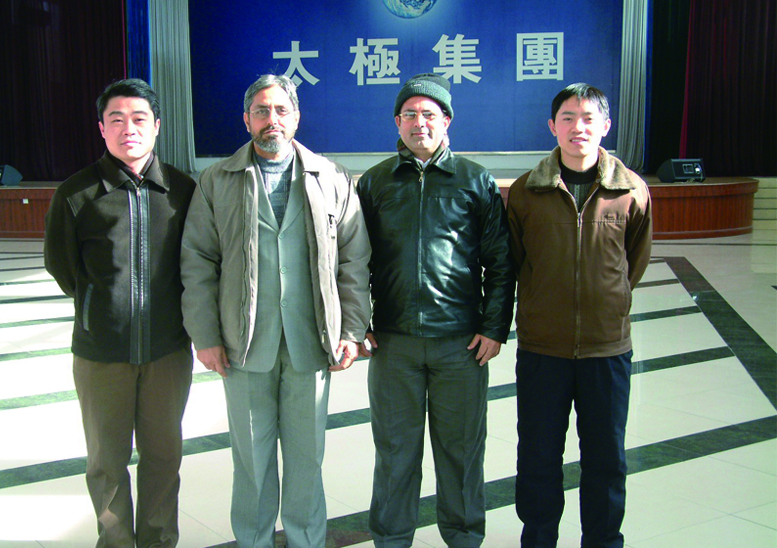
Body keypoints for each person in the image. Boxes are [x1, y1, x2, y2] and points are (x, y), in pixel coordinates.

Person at [179, 74, 371, 548]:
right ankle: (254, 540)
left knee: (307, 459)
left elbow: (354, 260)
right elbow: (197, 261)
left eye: (281, 110)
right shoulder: (216, 180)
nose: (272, 120)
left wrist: (351, 330)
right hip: (243, 345)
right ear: (246, 119)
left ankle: (306, 539)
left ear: (297, 117)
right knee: (251, 460)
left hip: (312, 342)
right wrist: (205, 335)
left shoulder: (332, 178)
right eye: (262, 111)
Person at [357, 73, 513, 548]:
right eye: (409, 114)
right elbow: (353, 261)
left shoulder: (474, 179)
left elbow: (500, 260)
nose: (419, 122)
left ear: (447, 121)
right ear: (397, 122)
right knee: (395, 452)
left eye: (429, 114)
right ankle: (391, 538)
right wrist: (358, 323)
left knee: (461, 451)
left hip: (460, 344)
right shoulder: (375, 182)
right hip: (394, 343)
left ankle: (463, 537)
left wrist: (494, 327)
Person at [44, 78, 196, 548]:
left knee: (164, 457)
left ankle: (158, 540)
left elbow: (198, 264)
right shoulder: (76, 193)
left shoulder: (183, 190)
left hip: (168, 351)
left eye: (138, 118)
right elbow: (62, 265)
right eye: (116, 119)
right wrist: (100, 309)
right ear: (102, 129)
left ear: (156, 126)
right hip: (100, 354)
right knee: (106, 462)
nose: (128, 128)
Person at [506, 83, 652, 548]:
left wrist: (606, 301)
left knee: (606, 459)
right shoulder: (527, 191)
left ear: (606, 125)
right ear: (552, 126)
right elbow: (515, 261)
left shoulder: (631, 190)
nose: (578, 128)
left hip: (606, 350)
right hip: (542, 349)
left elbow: (633, 262)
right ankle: (539, 539)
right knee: (538, 457)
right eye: (568, 118)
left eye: (589, 118)